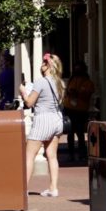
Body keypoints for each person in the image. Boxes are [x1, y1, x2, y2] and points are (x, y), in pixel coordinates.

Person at [21, 53, 66, 197]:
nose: (41, 64)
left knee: (29, 155)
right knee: (52, 155)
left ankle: (23, 189)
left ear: (47, 65)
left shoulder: (41, 82)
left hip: (43, 119)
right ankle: (53, 188)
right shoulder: (60, 83)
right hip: (57, 120)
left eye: (43, 62)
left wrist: (22, 92)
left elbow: (29, 103)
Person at [63, 62, 95, 161]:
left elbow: (87, 95)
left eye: (79, 69)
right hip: (69, 109)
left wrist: (77, 93)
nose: (77, 71)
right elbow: (67, 92)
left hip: (80, 110)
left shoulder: (88, 82)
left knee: (80, 133)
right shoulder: (71, 80)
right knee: (70, 133)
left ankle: (82, 154)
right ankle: (71, 154)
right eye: (76, 69)